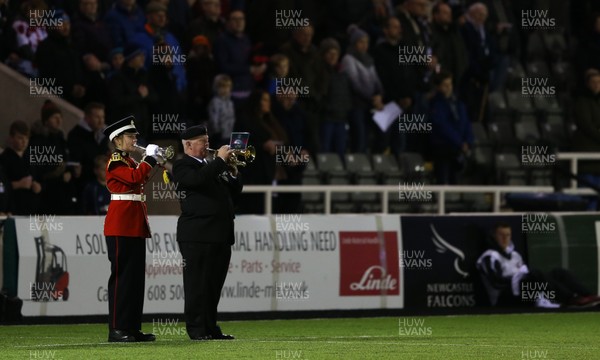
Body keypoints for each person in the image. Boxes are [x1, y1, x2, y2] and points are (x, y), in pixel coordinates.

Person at [173, 125, 242, 340]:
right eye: (203, 141)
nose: (208, 144)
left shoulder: (212, 166)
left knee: (213, 285)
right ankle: (197, 329)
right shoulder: (182, 166)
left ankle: (211, 327)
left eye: (207, 140)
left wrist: (231, 170)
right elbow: (197, 181)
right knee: (197, 285)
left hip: (220, 234)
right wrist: (220, 161)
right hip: (197, 236)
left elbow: (236, 188)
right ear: (189, 145)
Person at [103, 115, 161, 342]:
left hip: (133, 224)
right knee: (122, 279)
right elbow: (135, 177)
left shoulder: (129, 161)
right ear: (117, 140)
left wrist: (151, 161)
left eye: (135, 135)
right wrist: (150, 159)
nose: (135, 139)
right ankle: (117, 329)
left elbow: (139, 179)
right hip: (121, 225)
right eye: (130, 136)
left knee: (135, 280)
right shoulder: (116, 161)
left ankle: (132, 327)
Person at [476, 223, 600, 308]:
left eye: (507, 235)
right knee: (534, 274)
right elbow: (496, 283)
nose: (505, 239)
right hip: (504, 299)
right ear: (493, 236)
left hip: (525, 293)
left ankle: (588, 295)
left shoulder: (514, 255)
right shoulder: (490, 256)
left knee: (558, 272)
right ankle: (570, 299)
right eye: (501, 235)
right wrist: (516, 279)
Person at [429, 71, 473, 185]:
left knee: (457, 181)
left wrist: (468, 141)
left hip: (458, 149)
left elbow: (466, 123)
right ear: (438, 87)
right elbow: (442, 127)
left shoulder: (459, 103)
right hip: (443, 149)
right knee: (443, 180)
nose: (449, 88)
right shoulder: (436, 105)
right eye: (445, 85)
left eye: (450, 84)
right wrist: (459, 142)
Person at [0, 121, 41, 215]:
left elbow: (37, 176)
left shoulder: (30, 157)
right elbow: (2, 186)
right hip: (13, 208)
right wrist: (17, 184)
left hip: (31, 208)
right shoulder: (4, 158)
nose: (24, 142)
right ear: (11, 138)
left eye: (26, 138)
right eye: (20, 138)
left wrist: (37, 185)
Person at [207, 74, 235, 146]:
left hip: (229, 135)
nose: (225, 89)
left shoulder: (230, 102)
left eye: (227, 87)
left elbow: (232, 117)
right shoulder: (215, 102)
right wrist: (217, 131)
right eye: (221, 87)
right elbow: (214, 119)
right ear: (216, 88)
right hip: (219, 136)